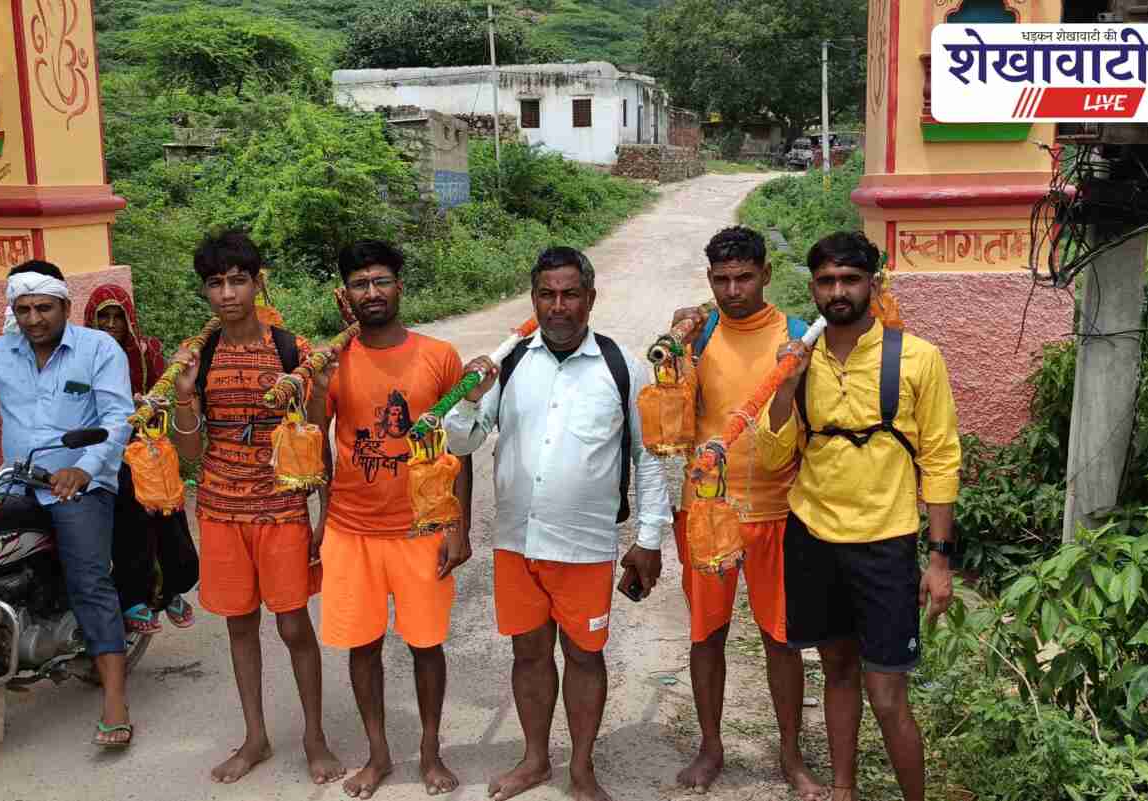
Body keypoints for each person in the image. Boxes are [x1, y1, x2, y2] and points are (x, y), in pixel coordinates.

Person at [445, 247, 672, 801]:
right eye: (547, 294)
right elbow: (459, 441)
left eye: (571, 294)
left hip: (586, 546)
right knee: (528, 654)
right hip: (516, 542)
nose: (559, 306)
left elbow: (651, 457)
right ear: (533, 300)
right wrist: (468, 400)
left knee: (584, 655)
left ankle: (583, 768)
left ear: (590, 299)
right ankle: (534, 760)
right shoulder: (511, 364)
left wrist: (648, 539)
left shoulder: (622, 366)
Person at [755, 232, 961, 801]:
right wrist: (785, 385)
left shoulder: (917, 358)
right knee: (837, 668)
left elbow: (941, 461)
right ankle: (843, 789)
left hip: (885, 542)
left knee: (888, 693)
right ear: (813, 289)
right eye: (826, 281)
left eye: (850, 279)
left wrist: (939, 560)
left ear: (873, 284)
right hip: (813, 534)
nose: (838, 292)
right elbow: (775, 455)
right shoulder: (800, 357)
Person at [167, 230, 344, 786]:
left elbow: (316, 433)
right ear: (205, 292)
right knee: (240, 628)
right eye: (215, 283)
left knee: (293, 626)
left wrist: (322, 514)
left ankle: (315, 737)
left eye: (237, 280)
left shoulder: (290, 348)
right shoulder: (202, 355)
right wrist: (185, 394)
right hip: (220, 510)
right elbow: (191, 454)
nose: (226, 293)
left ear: (257, 281)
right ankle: (256, 738)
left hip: (281, 509)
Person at [305, 240, 472, 799]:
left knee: (426, 644)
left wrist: (459, 526)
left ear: (400, 286)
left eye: (381, 280)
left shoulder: (438, 355)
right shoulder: (334, 362)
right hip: (352, 531)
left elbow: (460, 448)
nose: (371, 292)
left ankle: (430, 751)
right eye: (359, 283)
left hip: (423, 528)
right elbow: (313, 442)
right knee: (363, 645)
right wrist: (321, 519)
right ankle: (378, 755)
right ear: (345, 295)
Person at [666, 226, 825, 798]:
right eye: (721, 279)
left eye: (744, 277)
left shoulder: (800, 336)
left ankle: (791, 756)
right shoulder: (697, 331)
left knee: (781, 639)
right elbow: (669, 421)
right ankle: (711, 748)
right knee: (707, 634)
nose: (733, 289)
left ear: (765, 275)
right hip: (706, 512)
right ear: (709, 280)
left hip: (780, 512)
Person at [0, 260, 135, 746]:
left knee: (88, 578)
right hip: (16, 480)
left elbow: (117, 418)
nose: (33, 319)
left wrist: (84, 468)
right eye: (23, 309)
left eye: (43, 308)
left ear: (66, 306)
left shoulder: (98, 349)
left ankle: (114, 700)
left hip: (80, 482)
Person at [84, 284, 197, 634]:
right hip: (105, 453)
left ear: (129, 319)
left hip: (147, 449)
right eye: (104, 317)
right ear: (92, 319)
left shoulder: (147, 352)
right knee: (130, 525)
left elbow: (163, 390)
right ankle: (134, 597)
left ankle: (173, 590)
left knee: (167, 515)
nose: (111, 324)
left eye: (118, 316)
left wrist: (152, 404)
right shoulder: (80, 357)